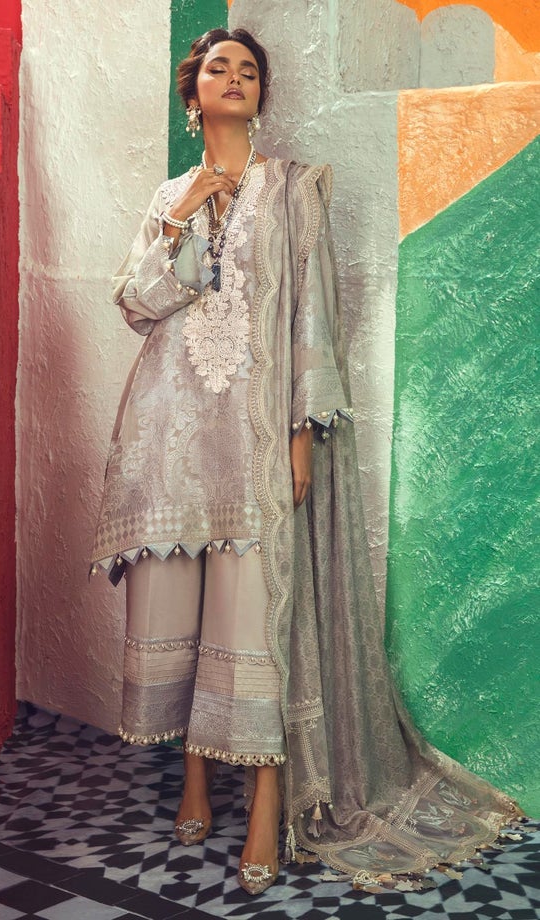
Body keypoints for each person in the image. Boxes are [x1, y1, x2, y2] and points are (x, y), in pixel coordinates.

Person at [91, 28, 524, 897]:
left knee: (257, 621)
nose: (235, 78)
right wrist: (184, 212)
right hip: (170, 436)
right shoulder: (170, 195)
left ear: (262, 94)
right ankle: (191, 780)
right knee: (183, 604)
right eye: (218, 68)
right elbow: (140, 304)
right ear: (192, 93)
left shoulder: (293, 189)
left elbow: (313, 318)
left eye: (249, 71)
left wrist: (300, 433)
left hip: (254, 431)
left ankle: (265, 801)